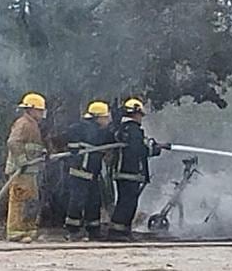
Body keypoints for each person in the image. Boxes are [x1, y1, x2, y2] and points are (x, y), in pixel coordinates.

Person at [110, 98, 170, 240]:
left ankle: (121, 231)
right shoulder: (133, 130)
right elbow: (138, 150)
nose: (141, 118)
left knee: (124, 202)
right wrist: (154, 149)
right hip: (130, 172)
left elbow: (136, 146)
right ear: (136, 114)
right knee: (128, 203)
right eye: (140, 115)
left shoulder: (124, 129)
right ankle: (118, 233)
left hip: (124, 172)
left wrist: (154, 145)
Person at [63, 101, 115, 241]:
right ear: (97, 117)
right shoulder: (87, 130)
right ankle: (73, 231)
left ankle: (93, 230)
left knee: (94, 201)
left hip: (92, 173)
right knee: (78, 201)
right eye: (105, 117)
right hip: (81, 171)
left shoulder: (92, 130)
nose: (107, 121)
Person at [5, 92, 48, 243]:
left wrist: (41, 152)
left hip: (30, 172)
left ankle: (28, 230)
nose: (42, 114)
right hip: (20, 171)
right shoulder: (23, 123)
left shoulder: (32, 124)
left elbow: (30, 146)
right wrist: (22, 161)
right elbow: (13, 142)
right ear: (31, 109)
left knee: (30, 202)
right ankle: (16, 232)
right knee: (19, 201)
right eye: (40, 110)